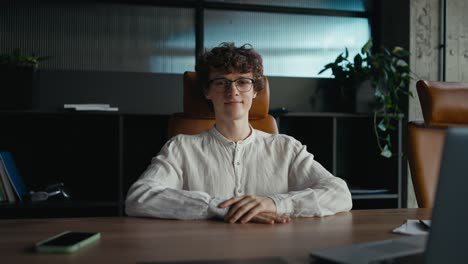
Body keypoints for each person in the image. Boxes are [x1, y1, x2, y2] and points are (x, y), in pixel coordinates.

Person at [125, 42, 352, 224]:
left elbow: (339, 193)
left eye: (243, 82)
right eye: (221, 82)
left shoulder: (287, 148)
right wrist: (218, 206)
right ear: (207, 91)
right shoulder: (181, 147)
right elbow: (139, 198)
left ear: (255, 91)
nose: (232, 91)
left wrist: (275, 204)